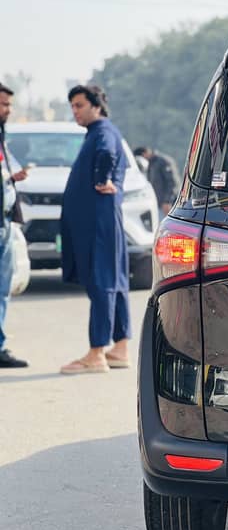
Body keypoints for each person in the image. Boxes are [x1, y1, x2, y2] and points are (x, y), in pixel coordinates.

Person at [59, 85, 131, 374]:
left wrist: (103, 179)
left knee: (101, 280)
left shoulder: (101, 132)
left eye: (79, 106)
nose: (75, 112)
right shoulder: (103, 131)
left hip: (97, 222)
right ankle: (121, 347)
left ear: (96, 106)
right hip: (102, 220)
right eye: (73, 107)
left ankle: (96, 352)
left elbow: (106, 155)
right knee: (115, 279)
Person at [0, 82, 29, 368]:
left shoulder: (2, 138)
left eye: (9, 105)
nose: (7, 110)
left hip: (5, 222)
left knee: (2, 288)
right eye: (3, 104)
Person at [133, 146, 180, 217]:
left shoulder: (163, 161)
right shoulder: (150, 164)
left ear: (144, 154)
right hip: (157, 204)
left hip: (168, 205)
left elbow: (173, 183)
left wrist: (167, 201)